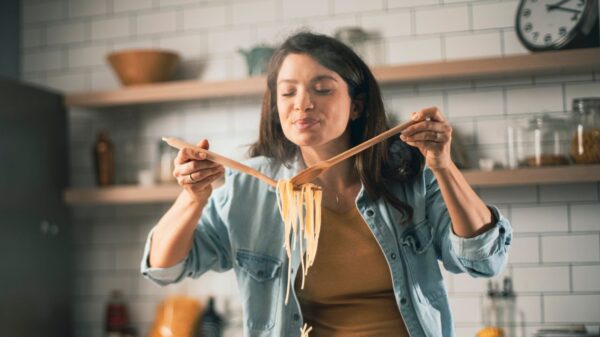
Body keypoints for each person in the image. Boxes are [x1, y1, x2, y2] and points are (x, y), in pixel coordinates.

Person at [141, 31, 512, 337]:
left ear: (357, 105)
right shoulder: (248, 187)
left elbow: (483, 260)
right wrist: (192, 198)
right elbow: (165, 268)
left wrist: (443, 165)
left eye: (322, 88)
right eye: (288, 92)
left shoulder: (409, 174)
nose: (302, 104)